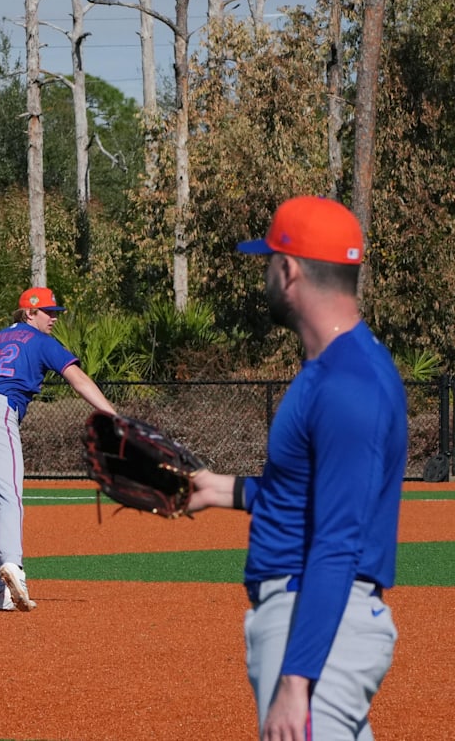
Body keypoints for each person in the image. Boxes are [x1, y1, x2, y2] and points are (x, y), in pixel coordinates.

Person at [190, 195, 404, 740]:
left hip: (315, 625)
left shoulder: (346, 383)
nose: (265, 273)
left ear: (288, 270)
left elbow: (338, 541)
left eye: (267, 261)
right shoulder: (335, 368)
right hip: (314, 618)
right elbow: (308, 493)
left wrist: (296, 682)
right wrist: (223, 490)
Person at [0, 287, 116, 612]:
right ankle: (14, 567)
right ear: (29, 313)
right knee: (10, 497)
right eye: (48, 312)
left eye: (55, 313)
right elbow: (78, 379)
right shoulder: (39, 341)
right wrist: (113, 416)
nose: (53, 318)